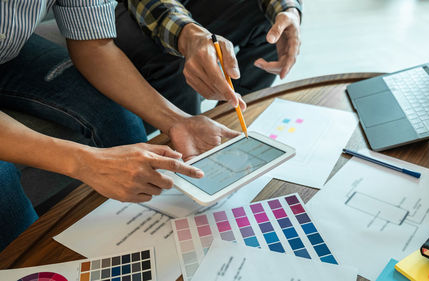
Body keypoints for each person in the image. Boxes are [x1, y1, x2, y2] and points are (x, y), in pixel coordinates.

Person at [0, 0, 239, 251]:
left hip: (10, 51)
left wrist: (177, 121)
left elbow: (93, 45)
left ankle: (145, 243)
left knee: (117, 115)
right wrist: (85, 162)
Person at [115, 0, 302, 115]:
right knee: (174, 54)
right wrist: (188, 36)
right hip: (117, 11)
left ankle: (233, 118)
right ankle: (190, 142)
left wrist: (289, 9)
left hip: (182, 7)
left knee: (271, 20)